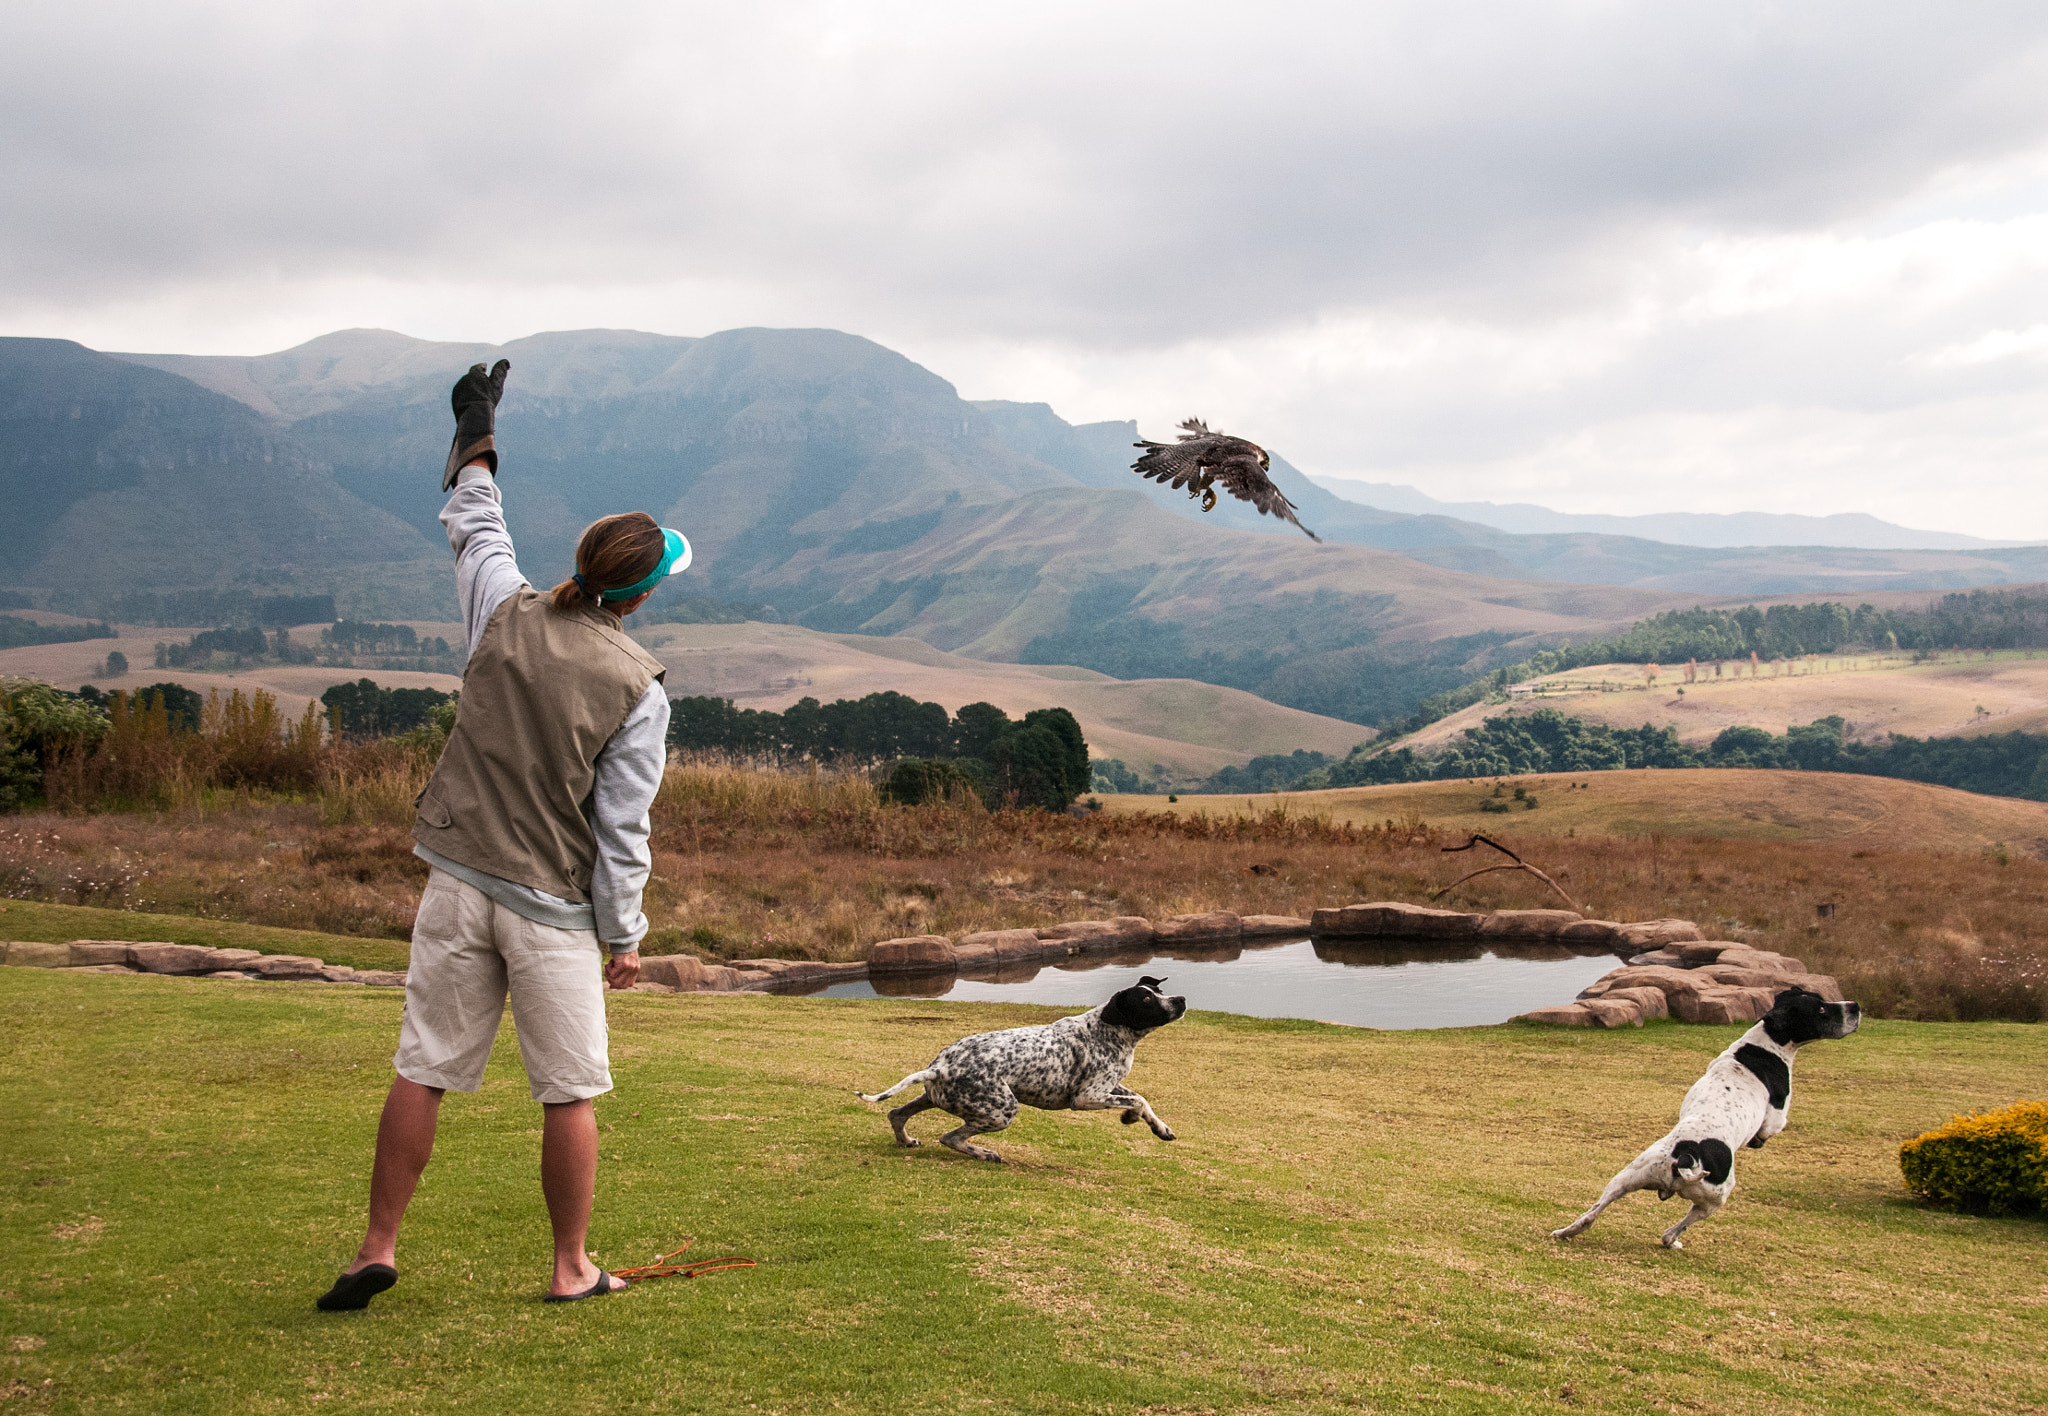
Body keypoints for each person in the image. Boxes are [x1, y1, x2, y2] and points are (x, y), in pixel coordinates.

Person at [317, 360, 688, 1309]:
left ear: (581, 561)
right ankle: (570, 1268)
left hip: (455, 880)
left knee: (423, 1068)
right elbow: (620, 832)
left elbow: (475, 517)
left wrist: (477, 427)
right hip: (550, 910)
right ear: (641, 596)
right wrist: (627, 938)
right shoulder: (638, 688)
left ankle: (375, 1248)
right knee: (569, 1094)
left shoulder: (501, 607)